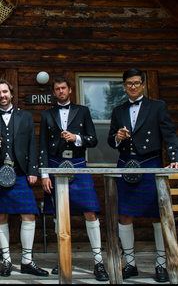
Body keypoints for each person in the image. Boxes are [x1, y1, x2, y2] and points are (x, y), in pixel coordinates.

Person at [107, 68, 178, 283]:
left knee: (157, 214)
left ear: (143, 84)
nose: (132, 86)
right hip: (125, 164)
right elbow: (110, 140)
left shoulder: (157, 107)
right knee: (124, 215)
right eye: (129, 83)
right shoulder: (118, 110)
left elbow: (169, 135)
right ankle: (129, 263)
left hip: (150, 162)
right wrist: (118, 137)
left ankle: (161, 264)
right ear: (124, 86)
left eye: (136, 83)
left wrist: (175, 157)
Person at [39, 76, 108, 281]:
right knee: (59, 217)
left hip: (78, 166)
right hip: (55, 165)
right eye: (57, 89)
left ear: (70, 90)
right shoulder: (47, 114)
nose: (61, 91)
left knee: (90, 212)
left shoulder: (83, 111)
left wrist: (76, 138)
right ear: (53, 92)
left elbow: (93, 139)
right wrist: (44, 174)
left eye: (64, 88)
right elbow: (42, 145)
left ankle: (98, 262)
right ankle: (63, 260)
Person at [0, 79, 48, 277]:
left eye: (4, 92)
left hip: (20, 172)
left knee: (28, 213)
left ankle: (27, 261)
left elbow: (31, 144)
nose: (1, 95)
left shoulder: (25, 116)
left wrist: (33, 171)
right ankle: (6, 260)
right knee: (0, 216)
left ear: (11, 94)